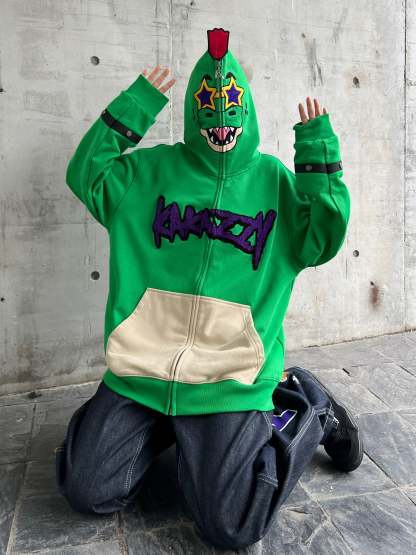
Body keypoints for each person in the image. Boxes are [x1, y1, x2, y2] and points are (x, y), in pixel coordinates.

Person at [55, 28, 363, 550]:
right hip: (142, 375)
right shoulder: (147, 173)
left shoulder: (276, 185)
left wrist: (317, 157)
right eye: (210, 113)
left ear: (246, 112)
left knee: (231, 525)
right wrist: (135, 107)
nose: (220, 124)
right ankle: (164, 430)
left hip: (229, 376)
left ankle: (308, 404)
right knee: (86, 491)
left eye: (230, 113)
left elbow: (324, 236)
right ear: (194, 114)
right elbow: (86, 173)